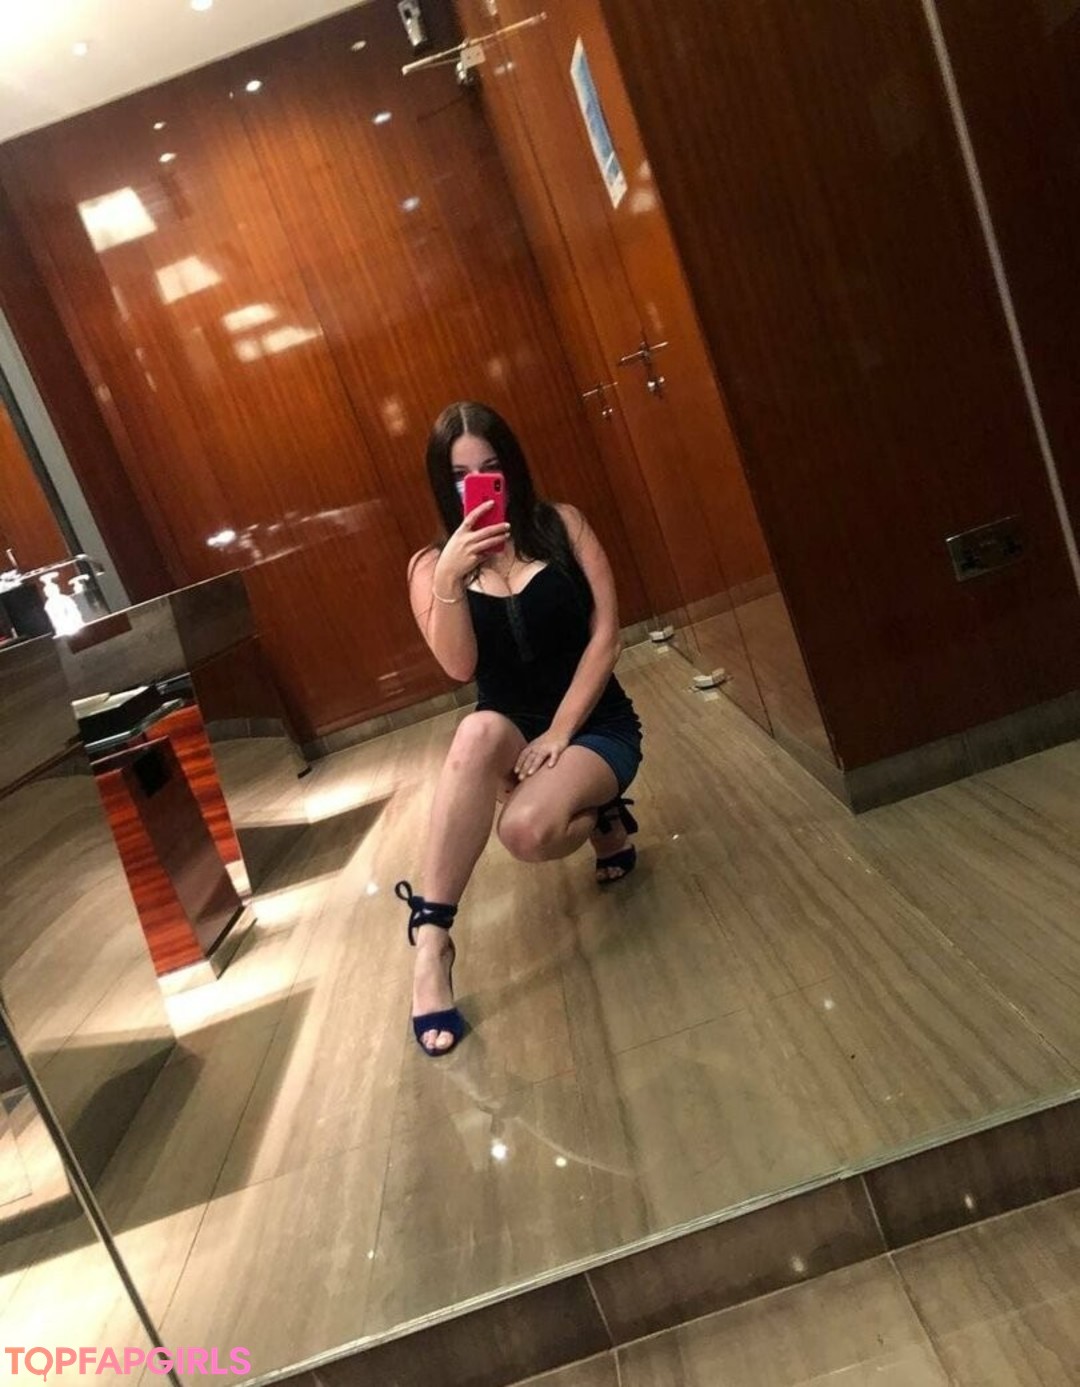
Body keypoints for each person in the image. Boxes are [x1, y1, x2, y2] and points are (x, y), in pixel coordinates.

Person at [396, 402, 644, 1058]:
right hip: (509, 732)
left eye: (490, 466)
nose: (477, 483)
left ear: (510, 466)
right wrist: (450, 576)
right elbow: (459, 667)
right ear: (443, 484)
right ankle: (432, 942)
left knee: (526, 833)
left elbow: (606, 635)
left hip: (594, 724)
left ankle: (602, 811)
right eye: (460, 476)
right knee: (474, 732)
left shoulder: (563, 525)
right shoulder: (430, 566)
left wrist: (561, 732)